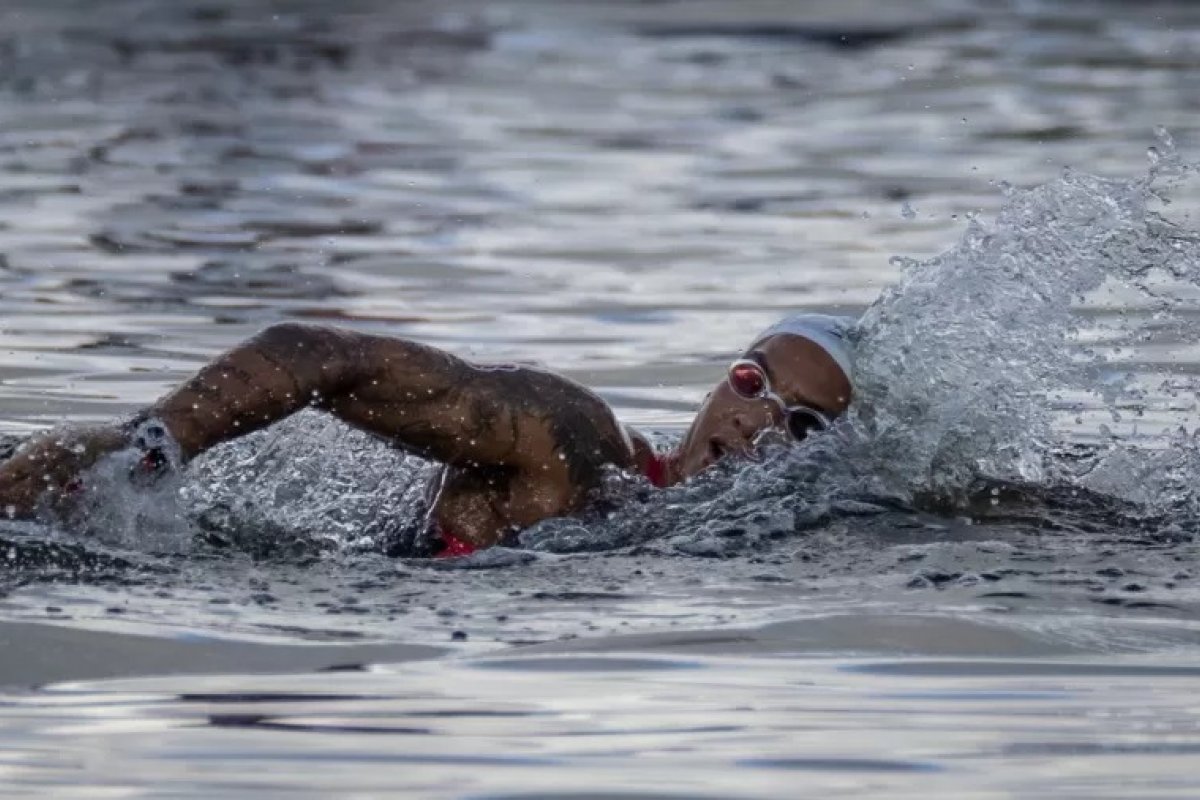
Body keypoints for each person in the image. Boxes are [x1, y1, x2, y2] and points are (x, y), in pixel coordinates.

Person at [0, 314, 855, 556]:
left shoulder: (735, 545)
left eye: (804, 424)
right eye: (754, 382)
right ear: (722, 378)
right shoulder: (572, 442)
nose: (757, 424)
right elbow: (319, 352)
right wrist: (153, 447)